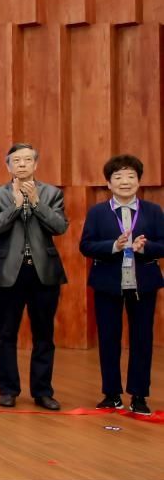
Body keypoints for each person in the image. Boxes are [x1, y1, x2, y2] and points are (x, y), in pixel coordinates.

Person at [0, 143, 69, 410]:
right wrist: (16, 206)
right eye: (16, 161)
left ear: (35, 164)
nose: (22, 165)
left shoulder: (51, 193)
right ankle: (8, 390)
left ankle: (42, 391)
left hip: (43, 273)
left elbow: (59, 226)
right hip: (9, 274)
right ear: (8, 166)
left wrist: (36, 203)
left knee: (44, 334)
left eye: (27, 160)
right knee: (6, 333)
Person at [78, 154, 163, 415]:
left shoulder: (153, 211)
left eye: (130, 176)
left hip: (143, 282)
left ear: (139, 181)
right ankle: (111, 394)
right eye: (118, 177)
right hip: (108, 283)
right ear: (109, 183)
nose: (125, 182)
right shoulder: (97, 212)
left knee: (142, 339)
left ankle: (139, 395)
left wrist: (144, 247)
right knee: (108, 338)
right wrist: (115, 245)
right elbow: (86, 246)